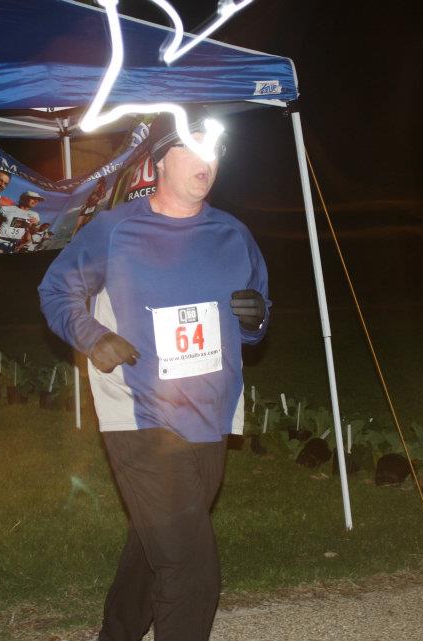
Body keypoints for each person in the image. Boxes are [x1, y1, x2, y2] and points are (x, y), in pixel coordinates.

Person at [38, 110, 269, 641]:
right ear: (161, 161)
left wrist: (256, 320)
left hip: (210, 416)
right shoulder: (114, 230)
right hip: (139, 416)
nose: (207, 162)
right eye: (192, 148)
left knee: (157, 545)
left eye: (214, 151)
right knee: (191, 568)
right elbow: (57, 291)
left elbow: (257, 318)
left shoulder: (234, 235)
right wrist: (92, 336)